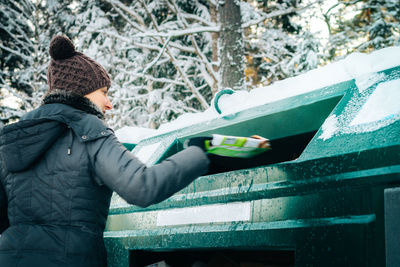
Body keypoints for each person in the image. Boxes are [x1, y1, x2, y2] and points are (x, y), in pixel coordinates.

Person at [0, 35, 210, 267]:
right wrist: (200, 152)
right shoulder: (89, 131)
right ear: (82, 91)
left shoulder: (12, 141)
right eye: (103, 92)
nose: (109, 104)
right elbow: (143, 187)